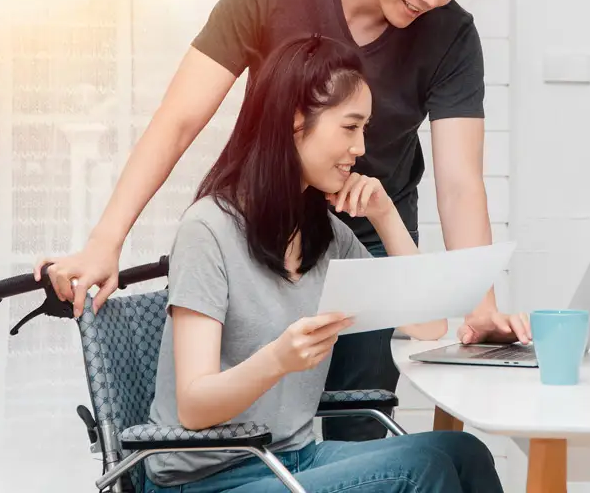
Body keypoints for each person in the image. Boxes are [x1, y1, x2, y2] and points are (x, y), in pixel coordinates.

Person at [35, 0, 531, 442]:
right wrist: (107, 240)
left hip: (369, 230)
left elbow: (461, 181)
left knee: (356, 418)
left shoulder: (452, 35)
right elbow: (178, 121)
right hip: (266, 229)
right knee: (257, 410)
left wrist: (481, 307)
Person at [143, 34, 503, 493]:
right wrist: (278, 359)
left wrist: (386, 215)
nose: (360, 147)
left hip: (290, 459)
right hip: (204, 480)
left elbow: (429, 325)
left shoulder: (325, 233)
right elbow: (193, 407)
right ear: (296, 121)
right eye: (350, 127)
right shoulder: (208, 229)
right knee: (421, 471)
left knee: (463, 453)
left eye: (364, 129)